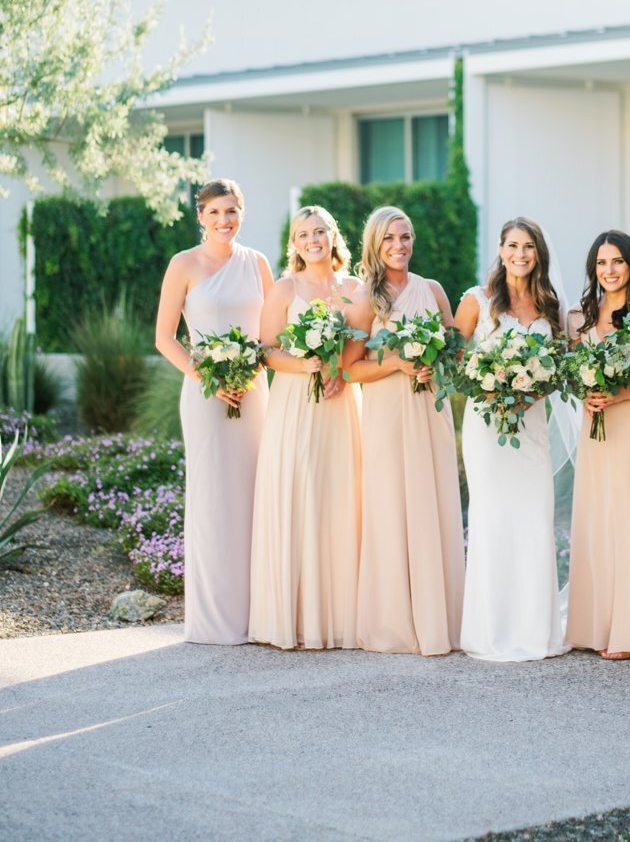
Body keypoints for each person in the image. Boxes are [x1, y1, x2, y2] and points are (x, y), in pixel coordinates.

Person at [155, 178, 273, 645]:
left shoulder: (258, 263)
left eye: (232, 211)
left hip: (254, 392)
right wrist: (207, 376)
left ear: (242, 213)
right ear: (200, 217)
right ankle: (212, 619)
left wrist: (253, 369)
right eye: (215, 212)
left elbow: (271, 331)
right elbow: (164, 338)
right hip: (204, 396)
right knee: (212, 498)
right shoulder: (183, 264)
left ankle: (259, 613)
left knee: (253, 495)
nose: (225, 221)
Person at [343, 206, 464, 655]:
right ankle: (393, 623)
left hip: (429, 413)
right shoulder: (364, 299)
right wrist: (395, 362)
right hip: (387, 416)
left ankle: (438, 619)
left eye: (406, 237)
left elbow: (454, 352)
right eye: (390, 239)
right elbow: (350, 370)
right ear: (375, 244)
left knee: (431, 504)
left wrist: (436, 363)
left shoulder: (432, 290)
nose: (399, 246)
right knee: (391, 506)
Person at [249, 206, 362, 650]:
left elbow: (361, 342)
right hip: (295, 402)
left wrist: (340, 370)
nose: (313, 239)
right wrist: (304, 363)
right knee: (299, 495)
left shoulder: (354, 289)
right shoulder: (283, 289)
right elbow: (266, 350)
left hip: (340, 404)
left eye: (320, 231)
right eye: (303, 234)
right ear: (293, 244)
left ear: (334, 237)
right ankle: (294, 618)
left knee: (340, 497)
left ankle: (340, 617)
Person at [456, 217, 567, 662]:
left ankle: (535, 630)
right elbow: (452, 359)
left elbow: (558, 369)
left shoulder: (549, 307)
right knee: (492, 517)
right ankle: (492, 630)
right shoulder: (476, 301)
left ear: (538, 255)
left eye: (528, 248)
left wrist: (529, 392)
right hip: (486, 426)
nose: (520, 255)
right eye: (513, 246)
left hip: (531, 425)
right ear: (501, 251)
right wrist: (488, 388)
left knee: (533, 517)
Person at [566, 231, 630, 660]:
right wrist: (585, 392)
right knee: (600, 517)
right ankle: (600, 622)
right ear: (593, 268)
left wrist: (624, 394)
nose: (609, 270)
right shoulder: (578, 319)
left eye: (618, 262)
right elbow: (569, 373)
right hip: (596, 429)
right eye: (602, 262)